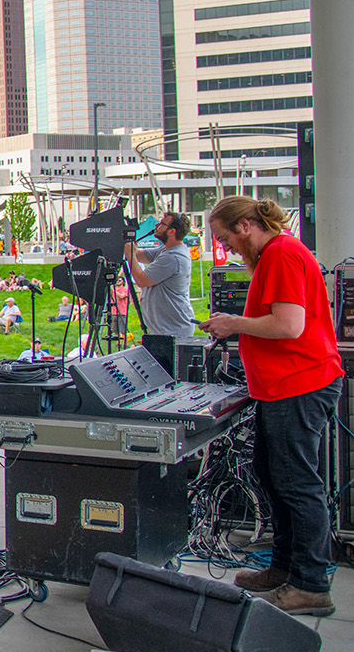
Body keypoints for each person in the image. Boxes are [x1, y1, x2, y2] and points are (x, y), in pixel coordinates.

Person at [200, 196, 343, 616]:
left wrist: (233, 323)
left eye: (225, 237)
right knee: (273, 475)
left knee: (297, 484)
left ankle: (310, 586)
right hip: (281, 388)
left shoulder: (280, 254)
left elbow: (288, 324)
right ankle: (284, 569)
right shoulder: (274, 255)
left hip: (298, 385)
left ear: (245, 226)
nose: (225, 247)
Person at [124, 211, 196, 338]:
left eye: (162, 223)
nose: (157, 225)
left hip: (173, 330)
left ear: (172, 231)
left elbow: (141, 280)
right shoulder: (166, 249)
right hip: (164, 329)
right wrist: (127, 243)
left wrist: (130, 255)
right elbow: (139, 255)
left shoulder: (173, 257)